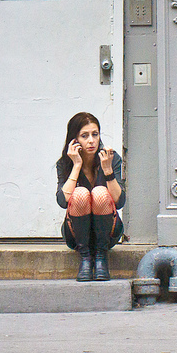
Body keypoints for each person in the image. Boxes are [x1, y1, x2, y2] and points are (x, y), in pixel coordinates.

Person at [56, 112, 125, 282]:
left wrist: (108, 171)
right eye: (84, 136)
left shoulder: (110, 158)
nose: (91, 140)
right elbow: (63, 201)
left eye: (95, 134)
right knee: (80, 193)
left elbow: (120, 202)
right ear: (74, 139)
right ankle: (85, 258)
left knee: (100, 193)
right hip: (77, 235)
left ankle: (101, 257)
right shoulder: (65, 163)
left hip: (108, 233)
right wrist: (76, 165)